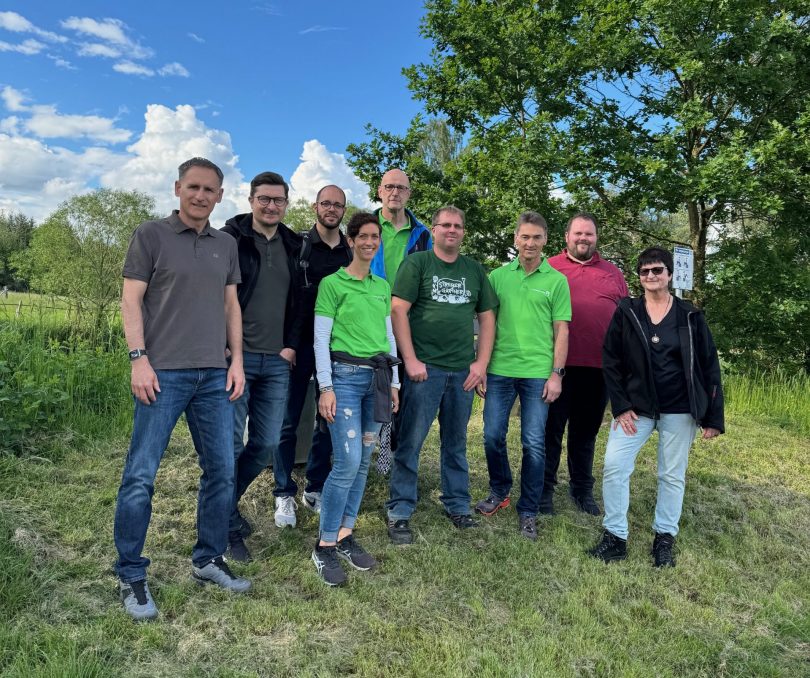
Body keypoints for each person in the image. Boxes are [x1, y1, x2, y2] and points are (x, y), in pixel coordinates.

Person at [114, 157, 250, 621]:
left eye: (210, 189)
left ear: (219, 195)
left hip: (215, 374)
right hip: (162, 374)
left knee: (222, 470)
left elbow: (231, 305)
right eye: (193, 187)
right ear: (177, 188)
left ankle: (209, 559)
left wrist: (238, 362)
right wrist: (139, 360)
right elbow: (131, 299)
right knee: (140, 477)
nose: (201, 196)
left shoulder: (226, 244)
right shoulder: (150, 235)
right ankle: (131, 572)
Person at [590, 247, 724, 567]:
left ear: (669, 274)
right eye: (644, 271)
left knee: (671, 475)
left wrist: (713, 417)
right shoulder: (628, 310)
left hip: (680, 409)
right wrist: (620, 406)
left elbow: (709, 366)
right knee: (615, 465)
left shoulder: (689, 315)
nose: (651, 276)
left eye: (657, 270)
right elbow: (611, 360)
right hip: (636, 409)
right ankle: (615, 537)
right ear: (639, 277)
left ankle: (664, 538)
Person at [386, 206, 498, 544]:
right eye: (445, 225)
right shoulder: (417, 264)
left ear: (463, 232)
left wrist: (480, 365)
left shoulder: (474, 270)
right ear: (433, 230)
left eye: (457, 226)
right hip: (425, 370)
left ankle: (457, 505)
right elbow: (397, 310)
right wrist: (410, 360)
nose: (451, 230)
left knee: (456, 443)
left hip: (462, 371)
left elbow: (488, 318)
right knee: (411, 440)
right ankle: (400, 509)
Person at [310, 212, 400, 586]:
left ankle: (346, 534)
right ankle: (324, 545)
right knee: (345, 462)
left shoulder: (381, 286)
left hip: (377, 381)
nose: (369, 242)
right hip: (344, 381)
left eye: (374, 237)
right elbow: (320, 339)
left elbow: (389, 336)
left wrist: (395, 383)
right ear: (350, 241)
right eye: (362, 236)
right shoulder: (333, 284)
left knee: (363, 461)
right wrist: (325, 388)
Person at [474, 212, 571, 540]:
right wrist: (482, 366)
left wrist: (556, 374)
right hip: (499, 371)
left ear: (546, 240)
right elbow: (486, 325)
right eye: (524, 237)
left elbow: (562, 330)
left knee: (533, 442)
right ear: (515, 239)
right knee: (492, 436)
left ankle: (528, 509)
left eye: (537, 237)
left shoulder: (556, 281)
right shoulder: (497, 277)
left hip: (537, 375)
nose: (530, 243)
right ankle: (499, 490)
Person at [221, 172, 301, 559]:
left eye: (278, 200)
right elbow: (215, 295)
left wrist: (290, 344)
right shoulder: (230, 239)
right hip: (235, 359)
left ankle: (223, 505)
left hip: (276, 361)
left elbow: (302, 300)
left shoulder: (293, 244)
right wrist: (222, 345)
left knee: (267, 441)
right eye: (264, 199)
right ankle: (224, 526)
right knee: (230, 445)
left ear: (287, 203)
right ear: (251, 199)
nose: (271, 206)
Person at [543, 213, 629, 515]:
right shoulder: (549, 267)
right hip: (555, 367)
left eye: (589, 234)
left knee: (585, 432)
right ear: (566, 236)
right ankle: (544, 490)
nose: (583, 239)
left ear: (596, 238)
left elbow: (626, 321)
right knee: (550, 430)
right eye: (578, 233)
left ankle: (581, 489)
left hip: (598, 368)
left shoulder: (612, 273)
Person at [277, 185, 353, 517]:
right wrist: (289, 344)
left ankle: (315, 487)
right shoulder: (299, 245)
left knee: (327, 419)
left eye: (338, 205)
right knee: (288, 419)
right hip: (299, 345)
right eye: (326, 203)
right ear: (314, 207)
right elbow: (289, 299)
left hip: (336, 347)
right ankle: (283, 491)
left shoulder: (348, 253)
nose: (331, 209)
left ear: (344, 211)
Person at [370, 168, 432, 475]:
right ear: (380, 191)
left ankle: (395, 456)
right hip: (371, 321)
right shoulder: (365, 227)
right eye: (389, 187)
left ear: (409, 193)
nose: (395, 192)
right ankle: (368, 450)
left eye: (401, 188)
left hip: (409, 324)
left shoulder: (423, 234)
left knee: (405, 393)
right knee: (373, 390)